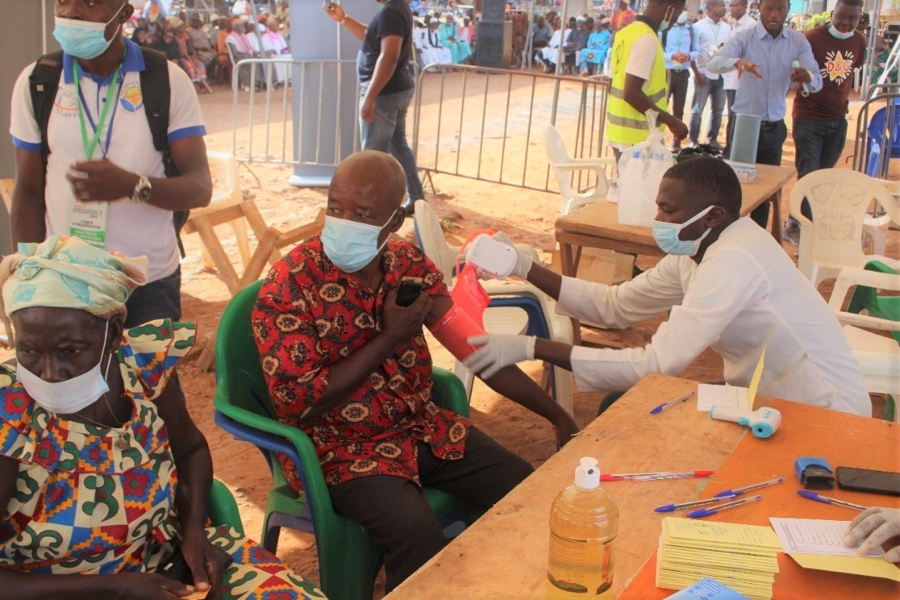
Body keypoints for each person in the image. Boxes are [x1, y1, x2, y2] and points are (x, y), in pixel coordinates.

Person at [252, 151, 579, 592]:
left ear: (394, 220)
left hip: (420, 427)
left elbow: (476, 351)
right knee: (417, 534)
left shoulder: (406, 266)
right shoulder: (290, 284)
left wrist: (556, 414)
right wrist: (389, 338)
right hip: (339, 449)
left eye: (362, 213)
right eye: (335, 207)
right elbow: (301, 400)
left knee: (525, 492)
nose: (343, 221)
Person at [0, 236, 326, 600]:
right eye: (28, 350)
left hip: (161, 565)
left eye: (69, 351)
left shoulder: (143, 369)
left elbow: (190, 450)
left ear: (113, 336)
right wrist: (115, 587)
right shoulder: (8, 412)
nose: (50, 372)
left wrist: (193, 534)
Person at [462, 157, 871, 417]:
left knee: (632, 411)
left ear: (712, 216)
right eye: (659, 205)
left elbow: (659, 364)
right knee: (621, 406)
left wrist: (534, 347)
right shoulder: (694, 252)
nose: (657, 217)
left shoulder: (734, 260)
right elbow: (614, 306)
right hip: (760, 395)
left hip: (819, 410)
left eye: (668, 209)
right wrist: (524, 265)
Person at [10, 0, 211, 329]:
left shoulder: (166, 80)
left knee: (149, 380)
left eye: (89, 2)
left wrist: (133, 186)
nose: (71, 12)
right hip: (65, 279)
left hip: (148, 280)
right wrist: (24, 278)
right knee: (74, 380)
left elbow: (200, 188)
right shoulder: (37, 82)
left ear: (124, 13)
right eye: (63, 1)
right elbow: (29, 190)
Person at [707, 0, 821, 229]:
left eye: (780, 9)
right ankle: (729, 237)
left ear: (788, 9)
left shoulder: (797, 42)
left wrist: (806, 77)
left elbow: (816, 81)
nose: (774, 14)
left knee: (767, 191)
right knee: (734, 188)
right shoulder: (745, 37)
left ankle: (756, 238)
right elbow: (713, 63)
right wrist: (737, 62)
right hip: (744, 125)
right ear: (760, 8)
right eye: (769, 8)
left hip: (773, 127)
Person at [323, 1, 426, 215]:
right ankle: (416, 198)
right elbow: (371, 37)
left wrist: (370, 95)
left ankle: (370, 210)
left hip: (384, 93)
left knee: (371, 157)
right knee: (398, 147)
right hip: (392, 91)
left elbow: (389, 56)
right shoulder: (395, 8)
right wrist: (343, 19)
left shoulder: (392, 10)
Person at [781, 0, 866, 243]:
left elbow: (852, 69)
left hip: (838, 118)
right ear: (832, 13)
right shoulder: (811, 38)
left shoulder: (859, 40)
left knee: (824, 176)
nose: (846, 22)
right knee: (809, 174)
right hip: (809, 117)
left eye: (853, 19)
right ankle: (799, 227)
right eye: (841, 16)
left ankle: (805, 223)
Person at [606, 0, 689, 160]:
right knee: (638, 185)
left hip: (621, 135)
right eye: (676, 15)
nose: (674, 22)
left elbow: (612, 83)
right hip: (637, 140)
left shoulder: (626, 33)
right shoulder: (647, 39)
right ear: (669, 9)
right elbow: (631, 93)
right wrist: (672, 122)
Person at [689, 0, 730, 151]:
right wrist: (697, 73)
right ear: (712, 7)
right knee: (698, 110)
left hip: (721, 76)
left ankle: (712, 139)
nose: (724, 9)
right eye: (721, 6)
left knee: (718, 111)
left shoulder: (727, 28)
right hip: (703, 75)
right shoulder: (698, 27)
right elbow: (691, 52)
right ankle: (693, 140)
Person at [660, 12, 699, 151]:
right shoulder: (664, 29)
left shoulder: (692, 29)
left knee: (679, 108)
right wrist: (672, 56)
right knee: (661, 106)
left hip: (683, 73)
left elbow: (696, 51)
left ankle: (676, 142)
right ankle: (658, 139)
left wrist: (688, 56)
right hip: (667, 72)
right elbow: (658, 51)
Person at [722, 0, 756, 154]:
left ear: (744, 7)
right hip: (731, 78)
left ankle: (733, 151)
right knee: (731, 115)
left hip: (742, 80)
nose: (732, 9)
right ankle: (729, 149)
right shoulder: (735, 24)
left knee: (738, 117)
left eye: (735, 5)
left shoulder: (750, 25)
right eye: (730, 6)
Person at [169, 17, 213, 93]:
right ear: (176, 28)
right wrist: (183, 56)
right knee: (190, 67)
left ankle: (202, 84)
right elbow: (175, 51)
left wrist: (192, 55)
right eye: (181, 26)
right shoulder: (174, 38)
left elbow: (190, 47)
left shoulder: (186, 36)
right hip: (181, 58)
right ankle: (194, 85)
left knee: (200, 64)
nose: (183, 27)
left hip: (189, 56)